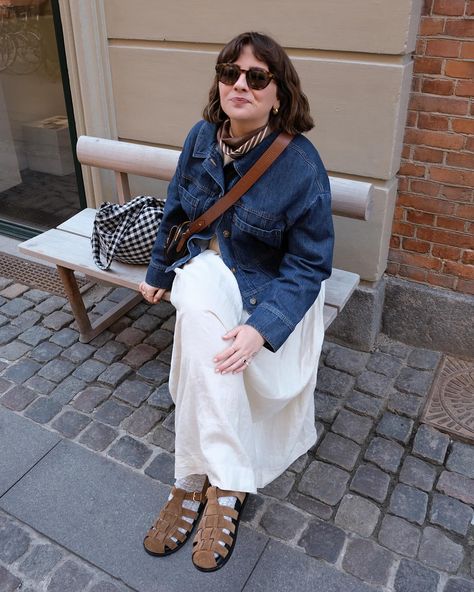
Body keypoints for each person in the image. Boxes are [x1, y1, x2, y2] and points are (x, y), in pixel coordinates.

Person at [139, 31, 334, 572]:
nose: (240, 85)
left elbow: (309, 265)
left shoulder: (300, 164)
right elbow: (178, 213)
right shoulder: (201, 138)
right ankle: (226, 484)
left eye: (257, 77)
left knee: (211, 339)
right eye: (230, 73)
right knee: (196, 302)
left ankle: (194, 481)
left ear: (279, 93)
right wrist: (158, 271)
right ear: (219, 82)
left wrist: (261, 327)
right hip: (209, 264)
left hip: (269, 286)